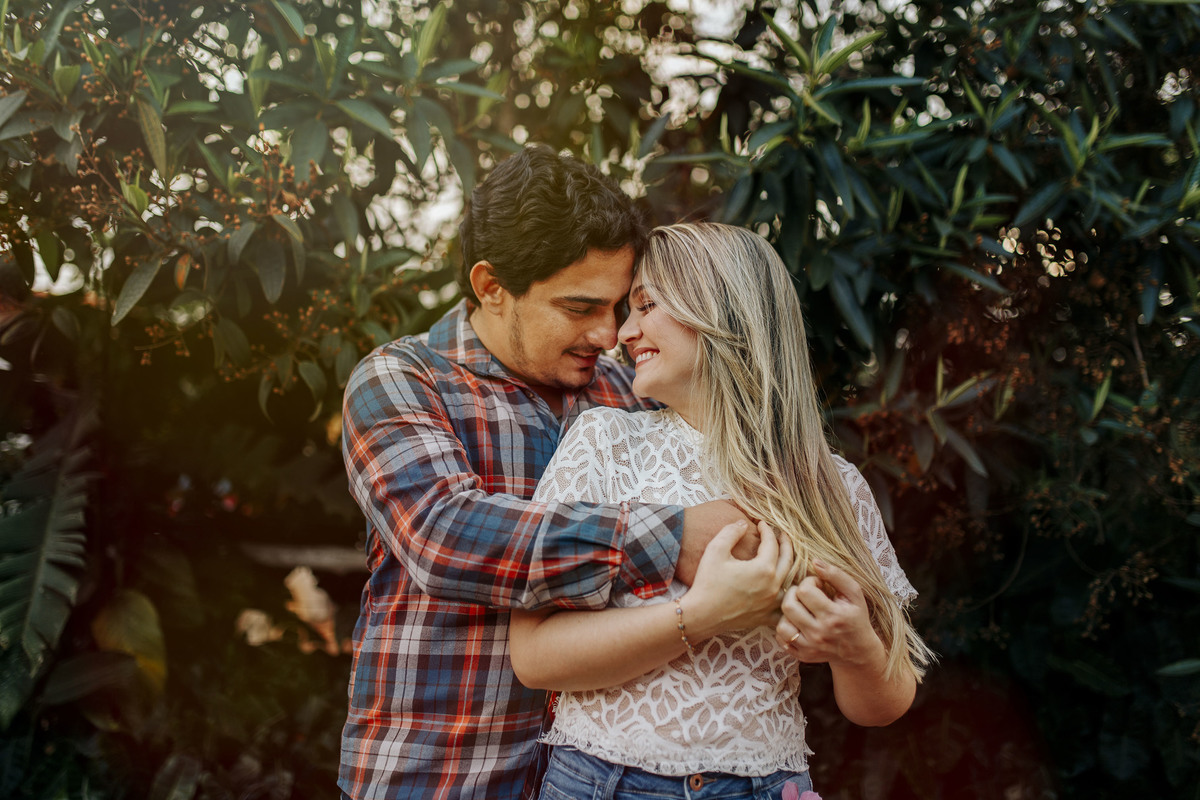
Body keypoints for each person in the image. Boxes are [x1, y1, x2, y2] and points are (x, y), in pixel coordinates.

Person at [338, 147, 762, 800]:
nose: (609, 334)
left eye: (619, 307)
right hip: (439, 776)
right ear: (491, 287)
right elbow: (445, 535)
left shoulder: (629, 395)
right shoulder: (403, 380)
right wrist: (672, 536)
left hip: (595, 781)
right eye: (579, 308)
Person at [509, 222, 935, 799]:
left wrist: (857, 649)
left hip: (767, 784)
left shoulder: (832, 485)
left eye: (646, 305)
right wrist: (702, 614)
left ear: (724, 312)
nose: (624, 333)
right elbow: (534, 657)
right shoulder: (603, 444)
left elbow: (885, 703)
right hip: (603, 782)